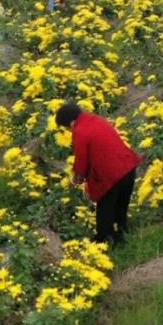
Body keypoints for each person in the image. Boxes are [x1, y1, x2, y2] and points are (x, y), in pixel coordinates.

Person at [56, 102, 142, 245]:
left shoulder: (80, 131)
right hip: (128, 167)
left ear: (71, 122)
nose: (68, 130)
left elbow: (81, 161)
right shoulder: (97, 120)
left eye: (66, 127)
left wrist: (75, 180)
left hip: (111, 175)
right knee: (121, 206)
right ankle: (123, 234)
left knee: (104, 211)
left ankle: (105, 242)